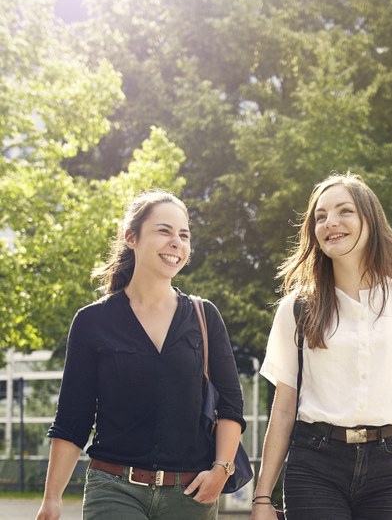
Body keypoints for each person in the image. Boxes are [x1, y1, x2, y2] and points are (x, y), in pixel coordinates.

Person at [249, 172, 392, 520]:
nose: (331, 222)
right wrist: (262, 498)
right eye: (320, 216)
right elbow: (283, 407)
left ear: (370, 221)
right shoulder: (296, 308)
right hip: (315, 464)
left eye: (345, 211)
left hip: (391, 467)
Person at [36, 190, 246, 520]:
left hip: (190, 495)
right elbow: (72, 419)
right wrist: (52, 499)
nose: (176, 242)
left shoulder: (204, 316)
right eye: (164, 230)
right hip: (114, 489)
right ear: (131, 237)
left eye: (184, 234)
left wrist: (221, 469)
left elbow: (231, 404)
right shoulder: (93, 321)